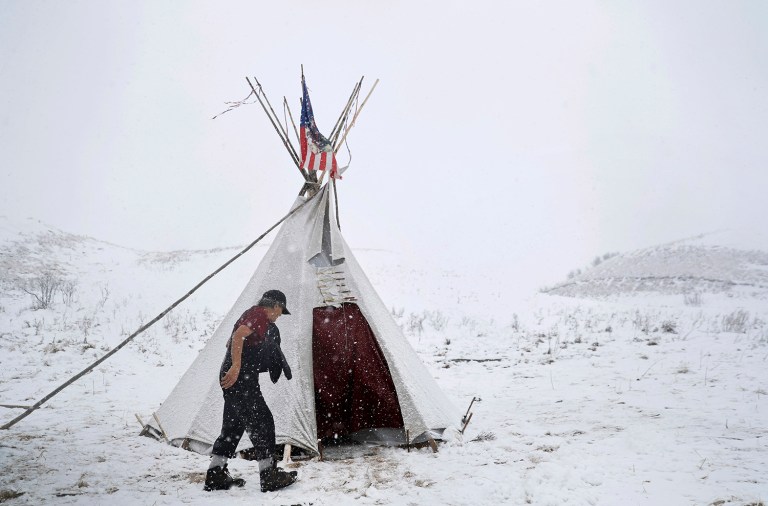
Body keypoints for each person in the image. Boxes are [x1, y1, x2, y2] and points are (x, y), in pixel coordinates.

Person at [203, 289, 298, 493]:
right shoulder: (259, 315)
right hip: (240, 379)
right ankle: (269, 475)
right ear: (273, 306)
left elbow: (230, 341)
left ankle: (216, 473)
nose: (279, 315)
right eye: (280, 311)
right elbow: (237, 337)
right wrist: (237, 366)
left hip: (235, 377)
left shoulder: (251, 313)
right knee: (263, 421)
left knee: (233, 426)